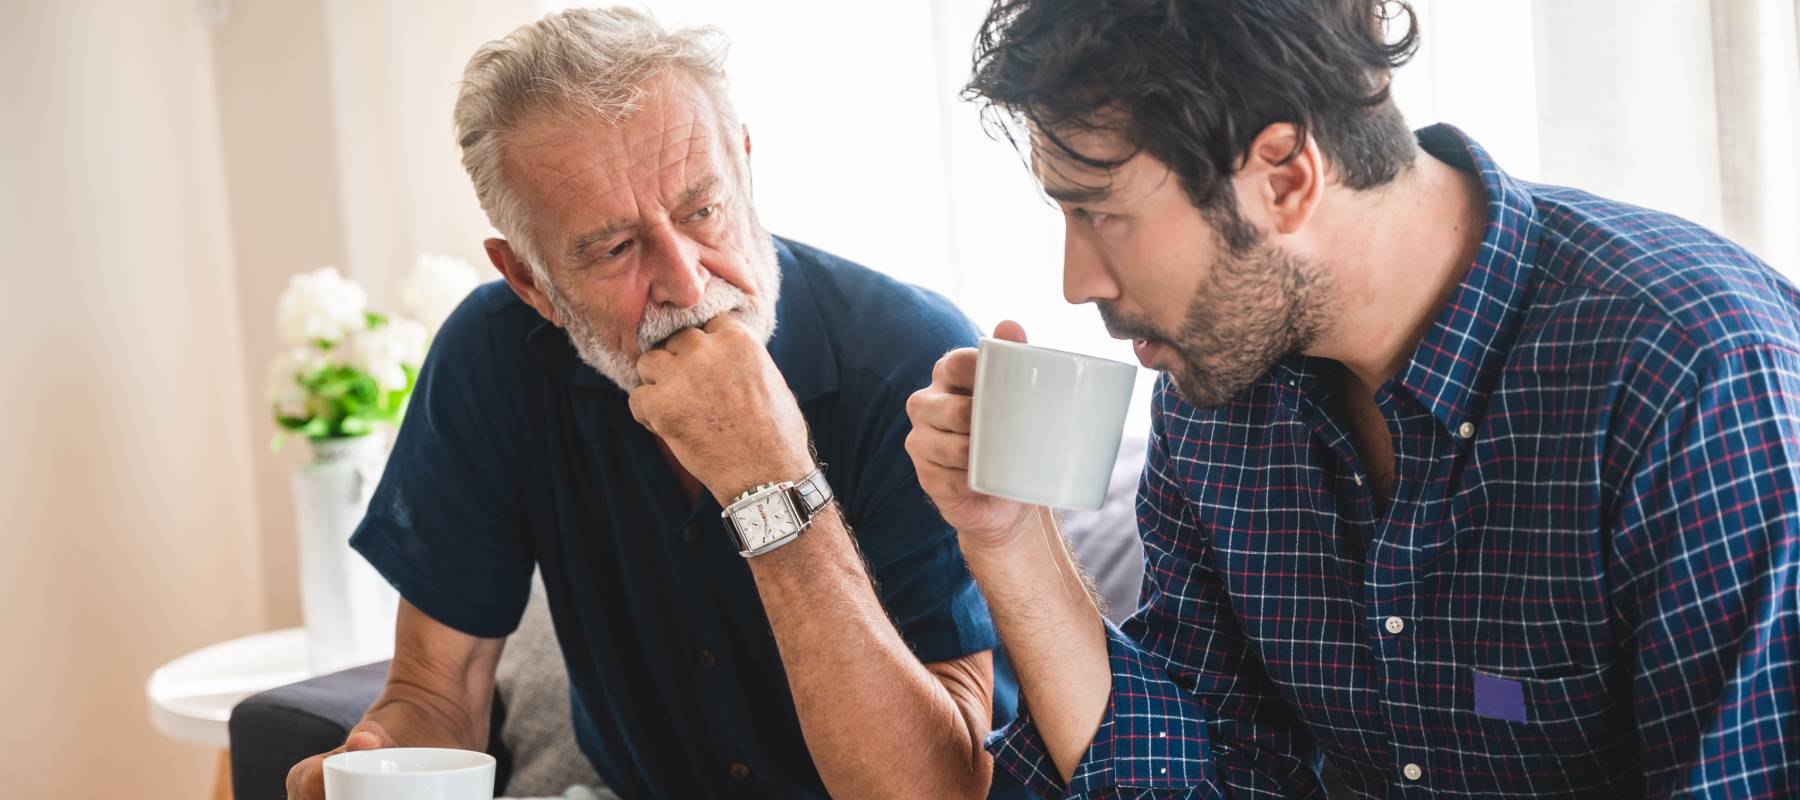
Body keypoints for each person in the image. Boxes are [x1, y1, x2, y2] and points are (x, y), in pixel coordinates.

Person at [904, 0, 1800, 797]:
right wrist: (1008, 537)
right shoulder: (1215, 399)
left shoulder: (1688, 372)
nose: (1075, 280)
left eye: (1099, 211)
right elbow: (1195, 770)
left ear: (1286, 178)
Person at [285, 7, 1015, 799]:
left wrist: (767, 474)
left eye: (703, 211)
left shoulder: (908, 362)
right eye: (614, 249)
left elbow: (938, 792)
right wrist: (379, 766)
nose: (688, 282)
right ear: (530, 280)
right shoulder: (490, 358)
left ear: (742, 162)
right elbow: (435, 694)